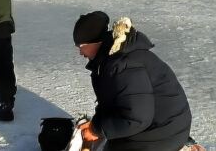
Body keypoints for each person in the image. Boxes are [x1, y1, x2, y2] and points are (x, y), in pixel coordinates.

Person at [73, 11, 192, 150]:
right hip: (161, 127)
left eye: (81, 47)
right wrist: (96, 125)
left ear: (96, 42)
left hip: (164, 134)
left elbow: (136, 119)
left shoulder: (124, 65)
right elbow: (112, 104)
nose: (80, 53)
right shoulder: (111, 59)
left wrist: (97, 130)